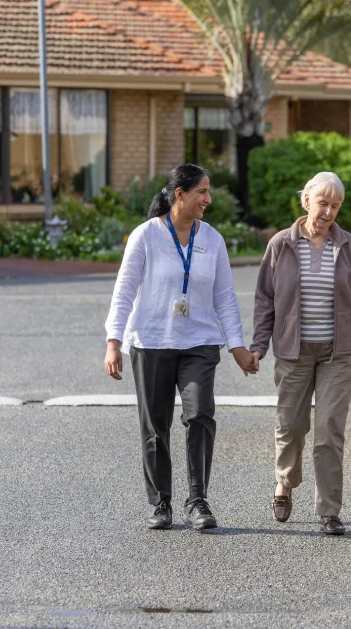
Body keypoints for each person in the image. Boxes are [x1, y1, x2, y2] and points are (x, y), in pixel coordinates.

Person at [104, 164, 257, 531]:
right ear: (180, 195)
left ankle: (197, 500)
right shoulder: (146, 236)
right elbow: (124, 290)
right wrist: (114, 342)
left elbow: (225, 297)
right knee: (155, 425)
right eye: (202, 192)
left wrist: (236, 345)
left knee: (200, 414)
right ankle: (161, 504)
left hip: (200, 342)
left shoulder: (213, 240)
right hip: (152, 340)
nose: (208, 199)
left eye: (209, 192)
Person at [249, 172, 351, 536]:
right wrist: (258, 345)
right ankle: (284, 483)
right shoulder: (281, 245)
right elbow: (264, 299)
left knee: (329, 431)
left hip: (338, 354)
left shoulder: (349, 246)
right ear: (306, 201)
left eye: (335, 205)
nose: (328, 211)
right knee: (291, 426)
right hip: (293, 351)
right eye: (323, 203)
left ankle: (329, 510)